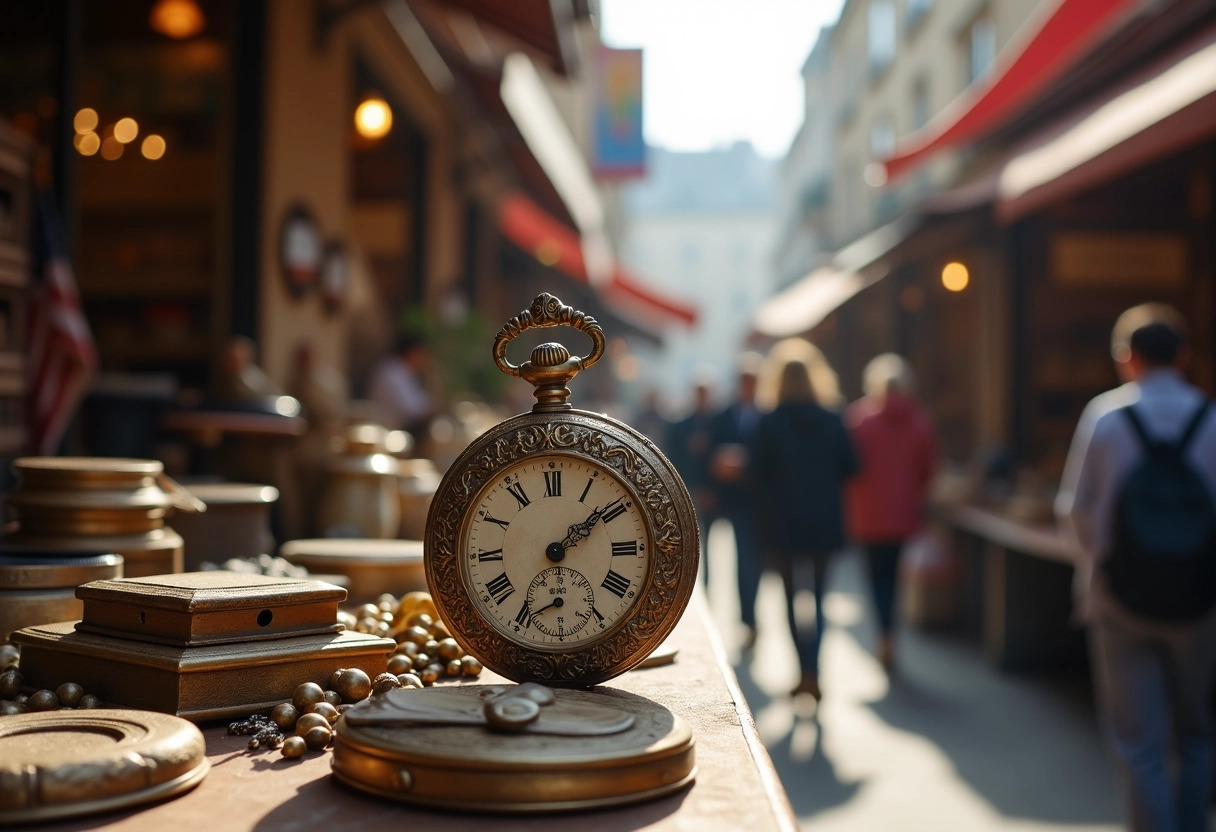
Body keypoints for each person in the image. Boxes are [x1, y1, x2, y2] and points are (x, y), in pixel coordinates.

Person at [1056, 303, 1216, 832]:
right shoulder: (1211, 419)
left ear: (1127, 359)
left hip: (1117, 599)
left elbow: (1075, 510)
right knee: (1196, 736)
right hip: (1200, 600)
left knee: (1139, 746)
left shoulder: (1106, 417)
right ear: (1185, 357)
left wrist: (1098, 567)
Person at [751, 339, 857, 699]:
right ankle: (815, 672)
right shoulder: (832, 418)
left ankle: (803, 673)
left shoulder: (769, 421)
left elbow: (756, 474)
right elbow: (852, 466)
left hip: (782, 524)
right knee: (820, 601)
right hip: (824, 521)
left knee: (790, 600)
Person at [846, 354, 936, 671]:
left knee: (875, 579)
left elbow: (849, 466)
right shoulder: (920, 421)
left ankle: (883, 634)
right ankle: (890, 635)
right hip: (902, 514)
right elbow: (928, 469)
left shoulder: (859, 419)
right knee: (895, 578)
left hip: (868, 514)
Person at [708, 355, 764, 648]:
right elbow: (711, 452)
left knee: (750, 563)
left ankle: (749, 619)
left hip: (755, 501)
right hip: (727, 497)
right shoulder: (724, 415)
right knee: (718, 559)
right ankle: (714, 612)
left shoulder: (767, 415)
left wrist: (747, 465)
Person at [665, 375, 719, 574]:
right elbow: (673, 456)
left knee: (710, 539)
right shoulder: (681, 425)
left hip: (710, 489)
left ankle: (707, 578)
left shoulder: (718, 423)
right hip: (688, 487)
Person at [368, 332, 433, 436]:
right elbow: (411, 410)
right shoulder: (391, 372)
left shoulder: (404, 372)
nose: (425, 359)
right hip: (388, 435)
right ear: (413, 352)